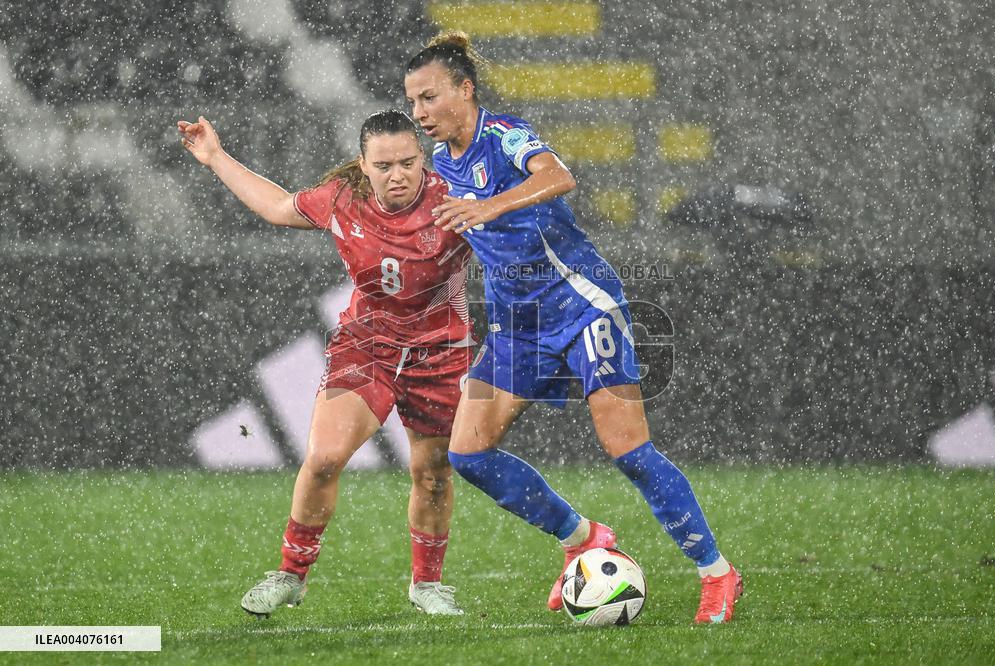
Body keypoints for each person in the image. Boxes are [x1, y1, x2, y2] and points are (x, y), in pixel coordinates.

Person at [403, 32, 743, 624]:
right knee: (468, 454)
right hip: (518, 326)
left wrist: (491, 206)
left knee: (629, 451)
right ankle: (583, 538)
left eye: (429, 98)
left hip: (583, 305)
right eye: (413, 102)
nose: (420, 113)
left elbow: (559, 176)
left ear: (465, 89)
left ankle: (717, 574)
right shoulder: (441, 163)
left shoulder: (505, 136)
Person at [177, 109, 474, 617]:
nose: (397, 174)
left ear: (423, 158)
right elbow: (277, 206)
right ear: (363, 163)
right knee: (324, 458)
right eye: (383, 165)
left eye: (407, 162)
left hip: (440, 351)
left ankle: (427, 584)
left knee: (433, 474)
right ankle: (291, 575)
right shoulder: (343, 198)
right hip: (368, 345)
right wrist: (215, 156)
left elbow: (519, 234)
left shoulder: (455, 199)